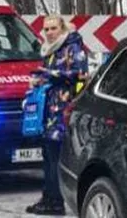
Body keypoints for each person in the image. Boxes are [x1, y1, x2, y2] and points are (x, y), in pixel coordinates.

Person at [25, 16, 88, 216]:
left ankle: (56, 201)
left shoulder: (72, 47)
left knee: (56, 156)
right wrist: (37, 80)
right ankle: (49, 197)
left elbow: (80, 73)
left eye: (53, 28)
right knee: (48, 156)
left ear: (62, 29)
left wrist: (48, 74)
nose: (49, 32)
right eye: (46, 29)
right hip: (48, 109)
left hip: (63, 110)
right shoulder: (49, 50)